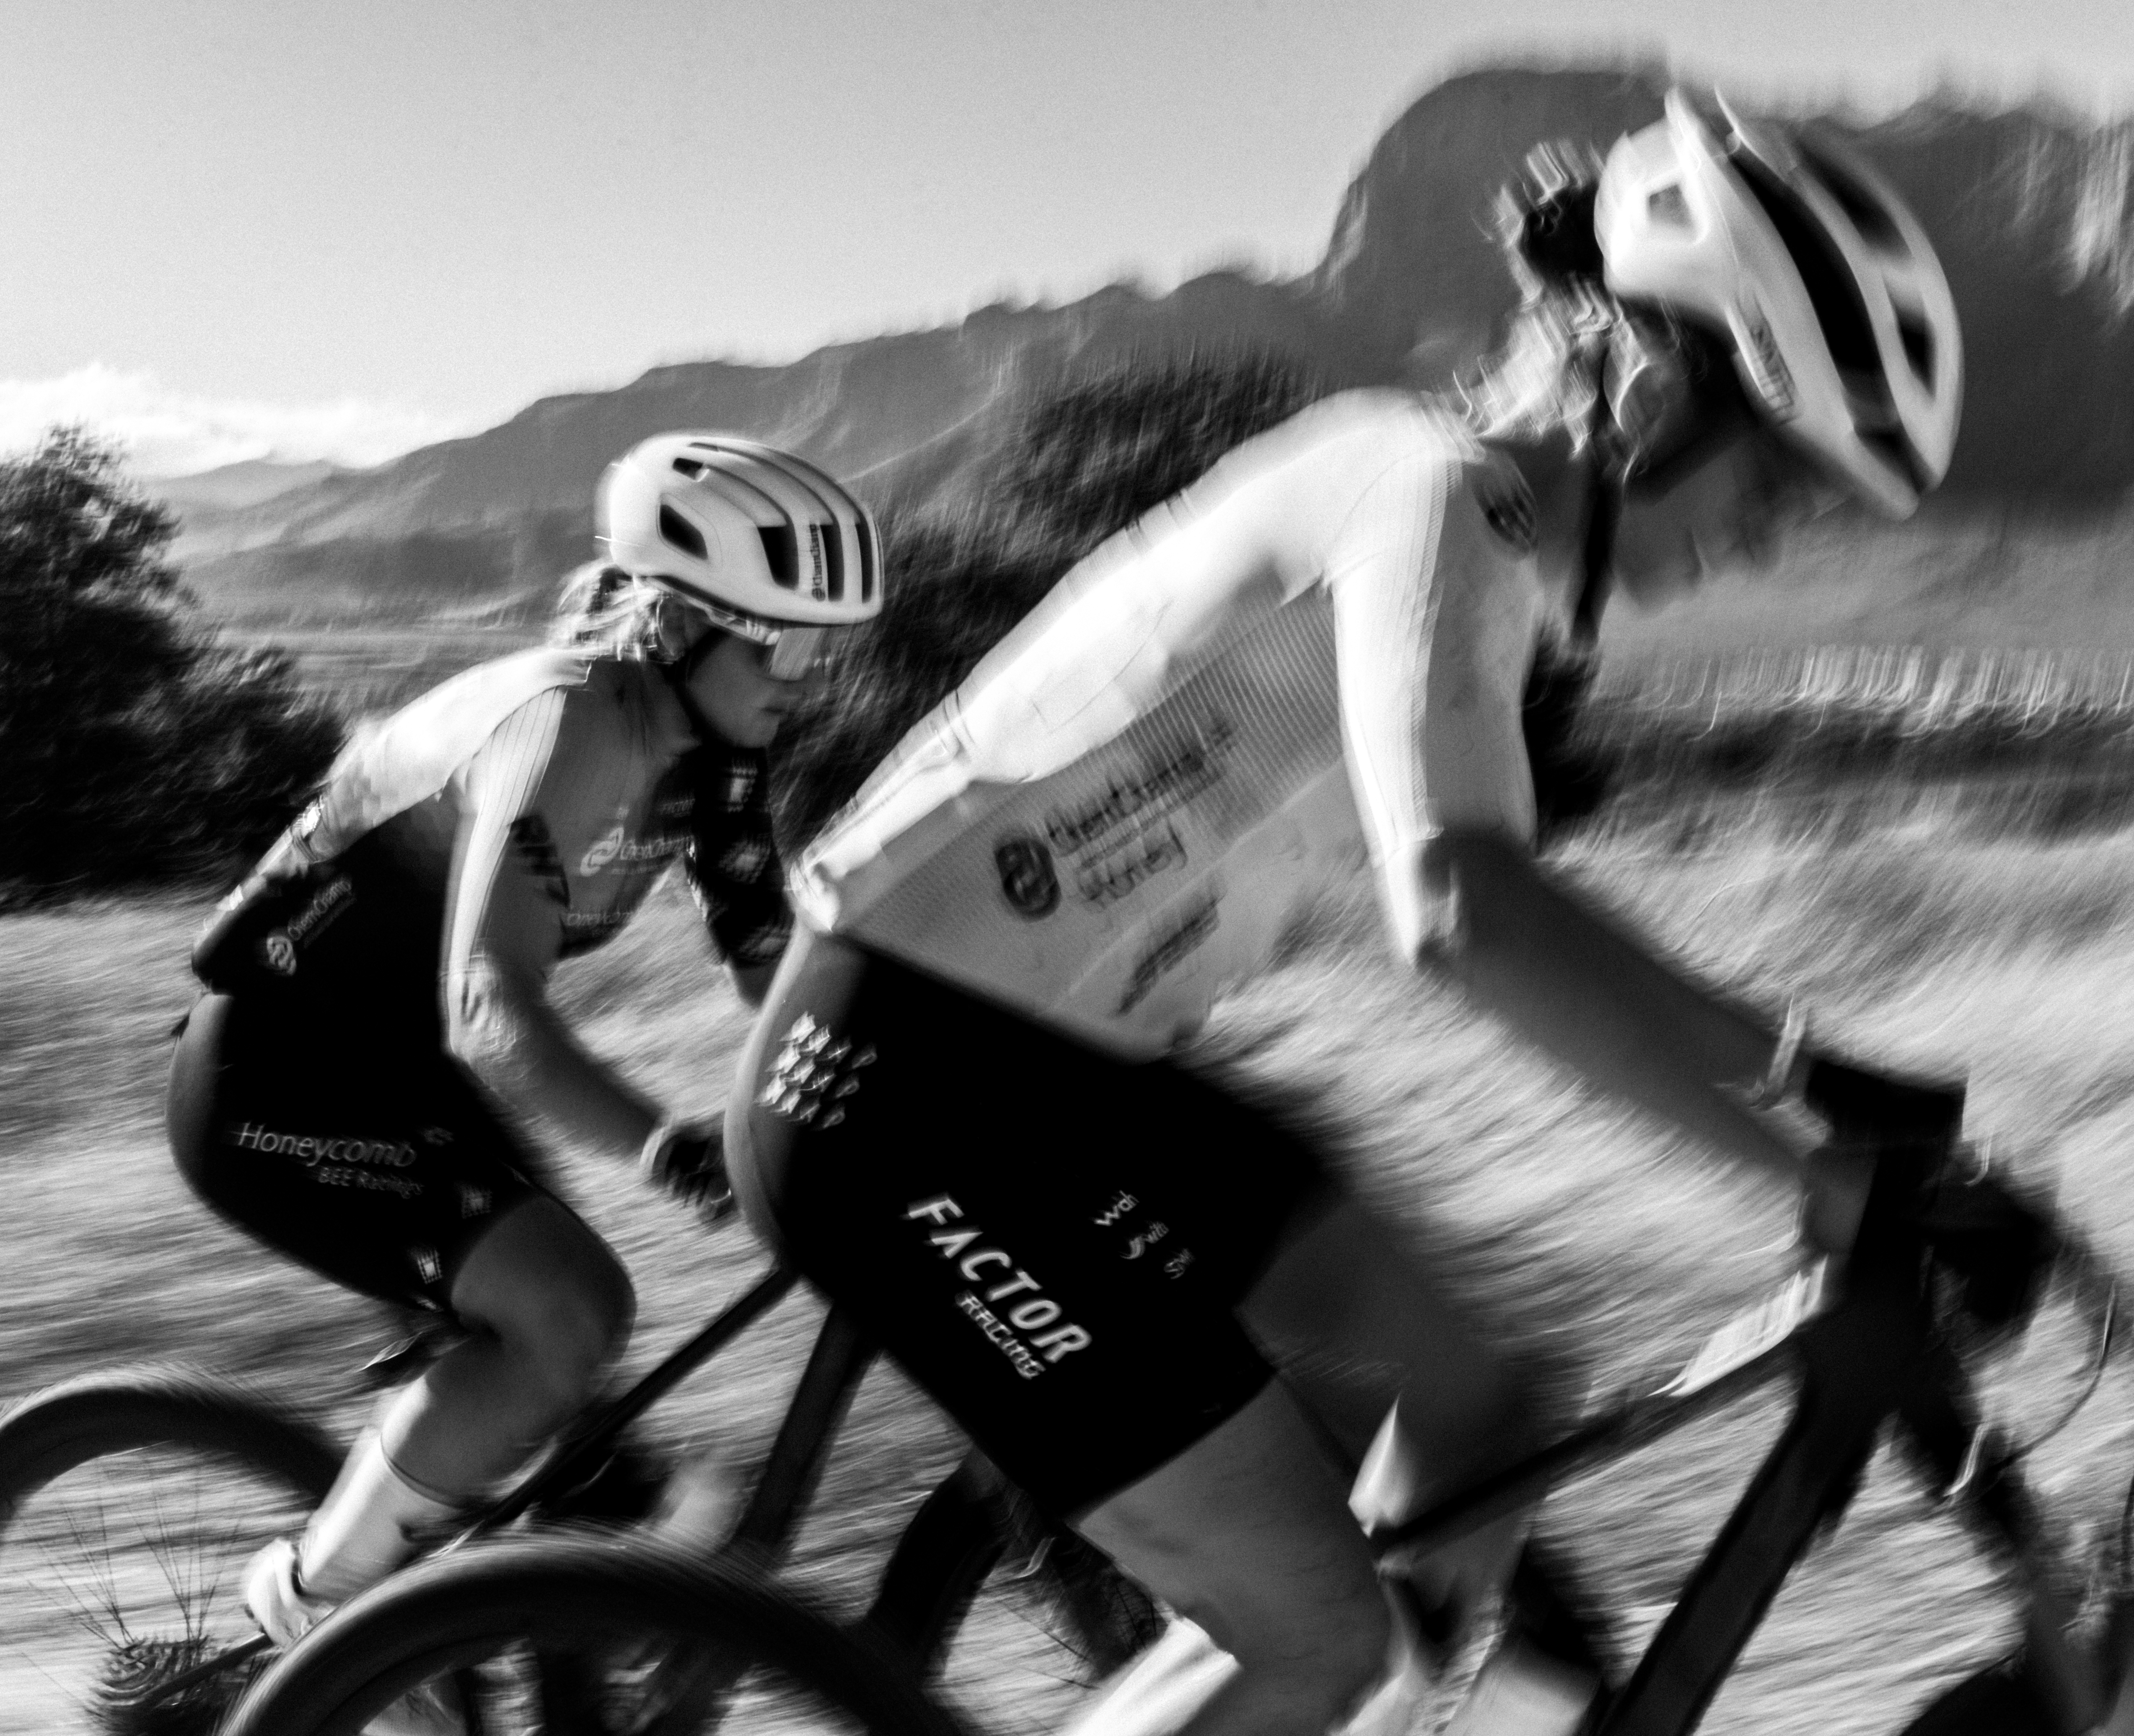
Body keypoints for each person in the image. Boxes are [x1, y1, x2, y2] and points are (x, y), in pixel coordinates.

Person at [725, 89, 1968, 1736]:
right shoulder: (1433, 494)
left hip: (1059, 1081)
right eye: (1783, 479)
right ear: (1656, 393)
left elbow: (1508, 905)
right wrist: (1811, 1153)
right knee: (1318, 1637)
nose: (1771, 535)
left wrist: (1819, 1105)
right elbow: (1463, 910)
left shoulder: (1466, 528)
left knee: (1486, 1397)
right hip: (903, 1092)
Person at [164, 435, 882, 1669]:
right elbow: (489, 1011)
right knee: (570, 1311)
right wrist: (670, 1150)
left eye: (829, 649)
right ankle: (312, 1624)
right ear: (671, 621)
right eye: (784, 646)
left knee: (602, 1457)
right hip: (274, 1075)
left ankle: (513, 1646)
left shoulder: (714, 760)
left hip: (401, 1074)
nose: (806, 681)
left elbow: (777, 966)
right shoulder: (563, 728)